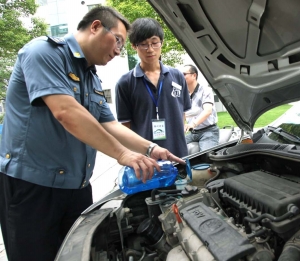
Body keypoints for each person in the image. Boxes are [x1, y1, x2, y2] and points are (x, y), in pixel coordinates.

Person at [0, 7, 185, 261]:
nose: (119, 50)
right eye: (118, 40)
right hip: (34, 189)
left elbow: (110, 124)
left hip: (77, 188)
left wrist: (151, 149)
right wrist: (123, 154)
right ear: (96, 26)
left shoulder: (90, 76)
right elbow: (66, 111)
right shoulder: (43, 53)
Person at [115, 18, 191, 158]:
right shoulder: (125, 83)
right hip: (146, 158)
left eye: (154, 43)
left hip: (178, 152)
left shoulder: (177, 76)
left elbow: (182, 112)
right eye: (143, 44)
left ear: (161, 42)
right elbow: (126, 126)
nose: (150, 49)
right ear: (134, 46)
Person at [183, 65, 219, 151]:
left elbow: (207, 111)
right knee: (173, 149)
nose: (181, 77)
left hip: (209, 131)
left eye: (184, 74)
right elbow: (182, 114)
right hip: (193, 133)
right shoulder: (183, 94)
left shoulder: (205, 90)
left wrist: (192, 124)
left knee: (207, 157)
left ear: (194, 75)